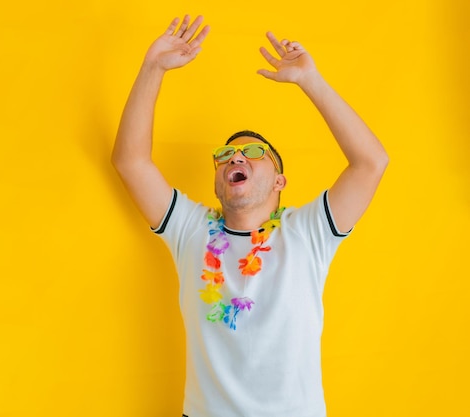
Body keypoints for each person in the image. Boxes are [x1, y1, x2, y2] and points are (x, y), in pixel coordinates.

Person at [111, 14, 388, 417]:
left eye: (254, 154)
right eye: (225, 155)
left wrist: (311, 80)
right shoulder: (191, 231)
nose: (236, 157)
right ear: (219, 180)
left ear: (280, 182)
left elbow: (371, 163)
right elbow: (130, 161)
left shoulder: (309, 233)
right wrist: (152, 67)